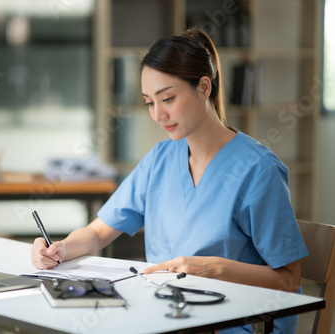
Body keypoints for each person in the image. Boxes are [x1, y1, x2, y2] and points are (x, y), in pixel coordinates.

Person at [30, 28, 308, 334]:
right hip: (165, 317)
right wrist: (60, 250)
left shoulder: (258, 170)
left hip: (231, 324)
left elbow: (288, 279)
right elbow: (98, 233)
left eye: (168, 98)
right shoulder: (160, 159)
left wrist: (212, 268)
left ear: (204, 87)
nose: (158, 115)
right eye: (149, 102)